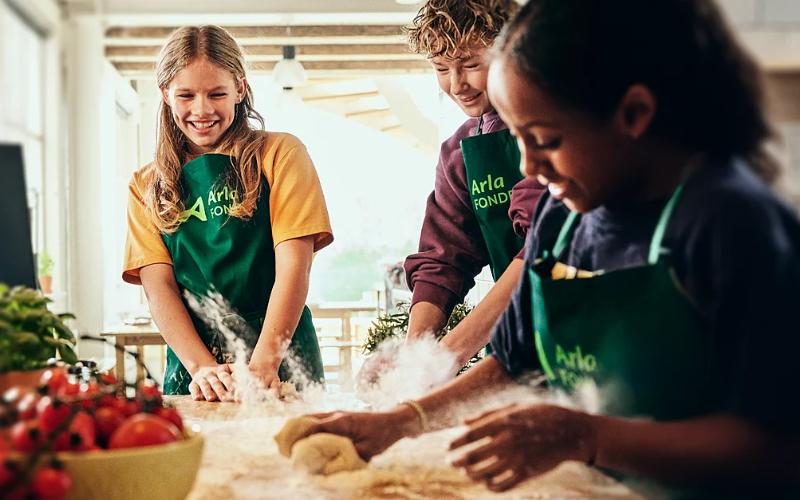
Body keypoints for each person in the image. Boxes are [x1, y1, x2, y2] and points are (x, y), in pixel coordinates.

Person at [289, 0, 800, 496]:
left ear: (634, 113)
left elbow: (778, 449)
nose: (528, 169)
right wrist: (398, 423)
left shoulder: (733, 226)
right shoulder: (561, 217)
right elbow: (513, 361)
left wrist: (590, 437)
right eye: (518, 138)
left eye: (546, 139)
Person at [122, 26, 333, 400]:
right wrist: (202, 368)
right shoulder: (146, 185)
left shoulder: (281, 155)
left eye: (217, 94)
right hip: (196, 367)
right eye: (186, 95)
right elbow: (159, 289)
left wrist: (264, 364)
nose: (202, 110)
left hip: (282, 356)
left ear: (240, 89)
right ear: (165, 94)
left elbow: (294, 268)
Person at [378, 0, 545, 377]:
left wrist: (447, 355)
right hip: (523, 342)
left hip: (592, 327)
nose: (457, 85)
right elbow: (443, 260)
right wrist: (415, 354)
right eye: (441, 68)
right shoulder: (459, 152)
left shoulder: (560, 127)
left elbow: (544, 247)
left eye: (471, 65)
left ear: (512, 52)